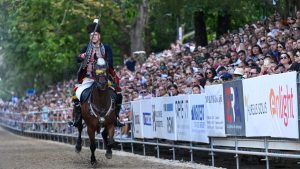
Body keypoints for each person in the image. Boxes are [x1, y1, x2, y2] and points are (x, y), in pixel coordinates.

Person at [70, 22, 123, 127]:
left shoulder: (106, 48)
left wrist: (101, 59)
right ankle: (78, 119)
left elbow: (111, 61)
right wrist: (82, 56)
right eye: (91, 35)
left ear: (99, 36)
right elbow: (77, 59)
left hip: (104, 78)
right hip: (88, 78)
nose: (93, 37)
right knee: (76, 94)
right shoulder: (86, 48)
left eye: (95, 35)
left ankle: (115, 118)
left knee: (119, 95)